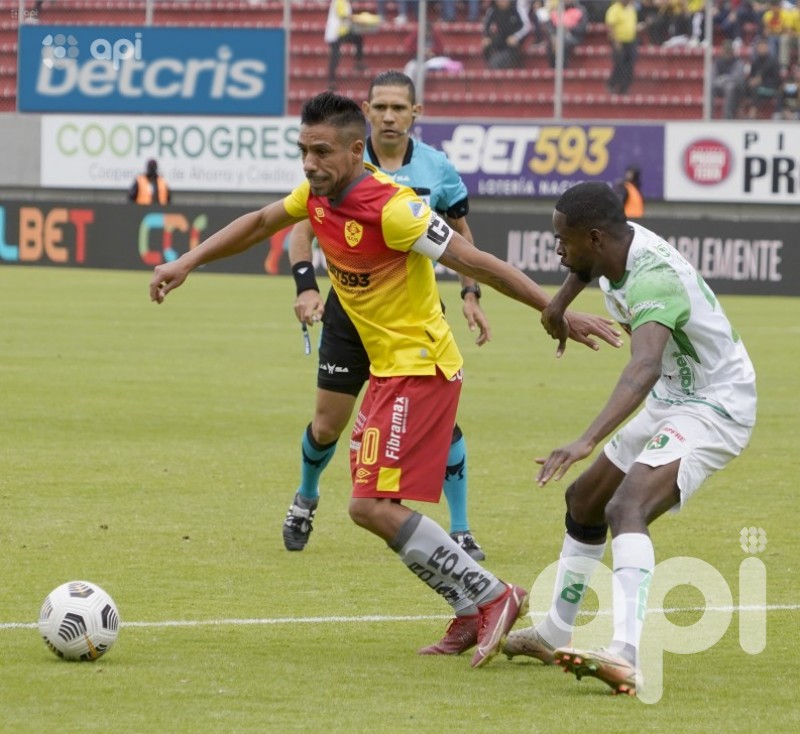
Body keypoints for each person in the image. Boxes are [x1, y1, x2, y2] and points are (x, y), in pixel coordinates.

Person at [149, 92, 622, 665]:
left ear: (355, 149)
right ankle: (475, 609)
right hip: (388, 372)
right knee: (374, 502)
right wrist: (186, 262)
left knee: (369, 505)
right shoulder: (317, 195)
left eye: (321, 151)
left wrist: (556, 311)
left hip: (420, 368)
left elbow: (479, 262)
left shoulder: (395, 210)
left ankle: (494, 595)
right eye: (302, 150)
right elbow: (260, 222)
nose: (308, 163)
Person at [503, 181, 756, 695]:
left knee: (627, 508)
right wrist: (557, 306)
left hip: (716, 404)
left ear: (595, 237)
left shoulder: (653, 279)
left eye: (563, 239)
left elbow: (641, 367)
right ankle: (555, 632)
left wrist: (586, 440)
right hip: (674, 395)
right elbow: (582, 266)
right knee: (584, 500)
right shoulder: (611, 249)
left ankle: (626, 654)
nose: (558, 248)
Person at [283, 71, 487, 560]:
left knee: (444, 426)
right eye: (381, 107)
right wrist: (307, 287)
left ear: (416, 113)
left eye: (400, 107)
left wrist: (471, 294)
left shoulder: (437, 168)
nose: (390, 116)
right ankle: (306, 498)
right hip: (349, 315)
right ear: (367, 111)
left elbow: (461, 235)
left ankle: (460, 528)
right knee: (327, 424)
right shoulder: (338, 157)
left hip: (411, 317)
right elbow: (299, 227)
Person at [325, 0, 366, 90]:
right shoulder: (340, 1)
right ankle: (331, 81)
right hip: (335, 33)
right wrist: (359, 19)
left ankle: (358, 63)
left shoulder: (346, 2)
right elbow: (343, 16)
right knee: (335, 57)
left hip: (342, 32)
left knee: (358, 39)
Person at [481, 0, 533, 69]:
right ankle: (490, 63)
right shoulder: (492, 9)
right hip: (501, 37)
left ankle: (513, 63)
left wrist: (516, 36)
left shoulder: (517, 8)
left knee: (512, 46)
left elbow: (527, 26)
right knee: (486, 44)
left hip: (515, 40)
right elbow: (486, 24)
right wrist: (487, 36)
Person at [743, 36, 783, 118]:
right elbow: (751, 76)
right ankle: (739, 110)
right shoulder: (755, 62)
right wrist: (751, 81)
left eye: (764, 46)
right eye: (760, 46)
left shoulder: (773, 61)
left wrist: (762, 81)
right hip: (757, 88)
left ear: (767, 47)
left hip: (771, 89)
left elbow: (777, 80)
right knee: (742, 84)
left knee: (756, 88)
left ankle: (752, 113)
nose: (762, 48)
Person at [605, 0, 638, 95]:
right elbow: (610, 26)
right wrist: (615, 41)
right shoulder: (614, 9)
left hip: (631, 41)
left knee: (630, 64)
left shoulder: (631, 9)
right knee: (620, 63)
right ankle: (611, 84)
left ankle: (624, 87)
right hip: (619, 41)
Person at [543, 0, 589, 69]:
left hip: (574, 36)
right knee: (551, 44)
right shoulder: (556, 10)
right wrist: (553, 36)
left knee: (564, 43)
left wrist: (569, 28)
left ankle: (563, 68)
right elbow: (550, 27)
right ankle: (553, 67)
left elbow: (582, 28)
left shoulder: (580, 10)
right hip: (557, 36)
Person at [712, 38, 747, 119]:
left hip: (736, 88)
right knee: (710, 88)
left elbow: (737, 78)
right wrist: (719, 82)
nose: (727, 52)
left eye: (729, 50)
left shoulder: (738, 61)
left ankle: (727, 117)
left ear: (732, 51)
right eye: (725, 50)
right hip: (720, 86)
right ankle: (709, 116)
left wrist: (724, 79)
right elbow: (713, 77)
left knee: (730, 87)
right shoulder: (717, 62)